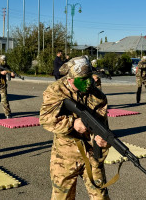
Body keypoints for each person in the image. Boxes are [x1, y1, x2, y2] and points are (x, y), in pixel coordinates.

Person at [40, 56, 110, 200]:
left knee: (100, 197)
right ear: (71, 79)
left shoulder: (97, 95)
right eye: (83, 79)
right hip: (64, 156)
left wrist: (104, 141)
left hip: (91, 154)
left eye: (89, 77)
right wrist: (72, 123)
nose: (89, 83)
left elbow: (102, 125)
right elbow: (45, 119)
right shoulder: (56, 90)